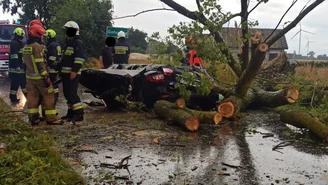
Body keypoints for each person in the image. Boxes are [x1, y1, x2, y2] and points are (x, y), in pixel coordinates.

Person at [22, 24, 63, 126]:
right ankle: (51, 119)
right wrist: (46, 77)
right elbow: (40, 64)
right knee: (49, 96)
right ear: (37, 34)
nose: (42, 37)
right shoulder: (37, 47)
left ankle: (33, 119)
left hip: (30, 77)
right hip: (40, 78)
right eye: (41, 35)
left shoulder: (26, 47)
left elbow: (24, 63)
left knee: (32, 98)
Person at [57, 21, 85, 124]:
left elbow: (79, 59)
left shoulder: (78, 43)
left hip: (73, 74)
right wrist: (59, 69)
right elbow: (65, 59)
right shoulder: (68, 43)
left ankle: (79, 114)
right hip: (65, 74)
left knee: (72, 94)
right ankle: (71, 112)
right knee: (66, 93)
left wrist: (74, 71)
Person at [9, 27, 27, 103]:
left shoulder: (17, 43)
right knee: (23, 83)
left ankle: (13, 98)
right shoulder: (14, 43)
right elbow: (14, 56)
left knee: (15, 84)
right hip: (17, 68)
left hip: (17, 67)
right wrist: (17, 66)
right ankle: (29, 97)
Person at [44, 29, 61, 103]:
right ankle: (56, 96)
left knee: (52, 83)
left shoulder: (51, 45)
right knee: (55, 83)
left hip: (52, 67)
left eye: (46, 37)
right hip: (56, 66)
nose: (45, 39)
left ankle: (53, 97)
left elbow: (52, 57)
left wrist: (48, 65)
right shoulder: (56, 44)